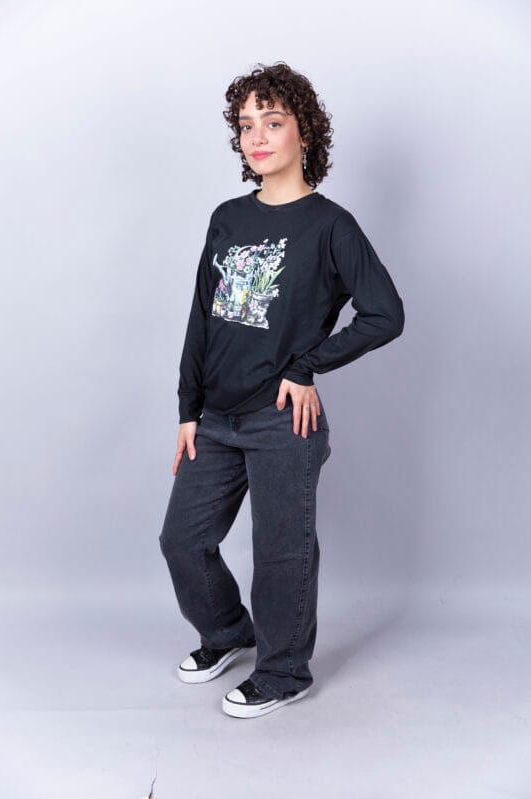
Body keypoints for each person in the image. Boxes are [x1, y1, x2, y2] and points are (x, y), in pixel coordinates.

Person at [159, 61, 405, 719]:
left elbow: (385, 313)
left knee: (280, 553)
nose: (257, 137)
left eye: (272, 121)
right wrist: (187, 409)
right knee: (182, 540)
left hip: (280, 420)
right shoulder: (227, 218)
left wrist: (306, 366)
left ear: (305, 132)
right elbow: (201, 317)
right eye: (246, 125)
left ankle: (284, 670)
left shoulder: (330, 226)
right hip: (215, 416)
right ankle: (227, 632)